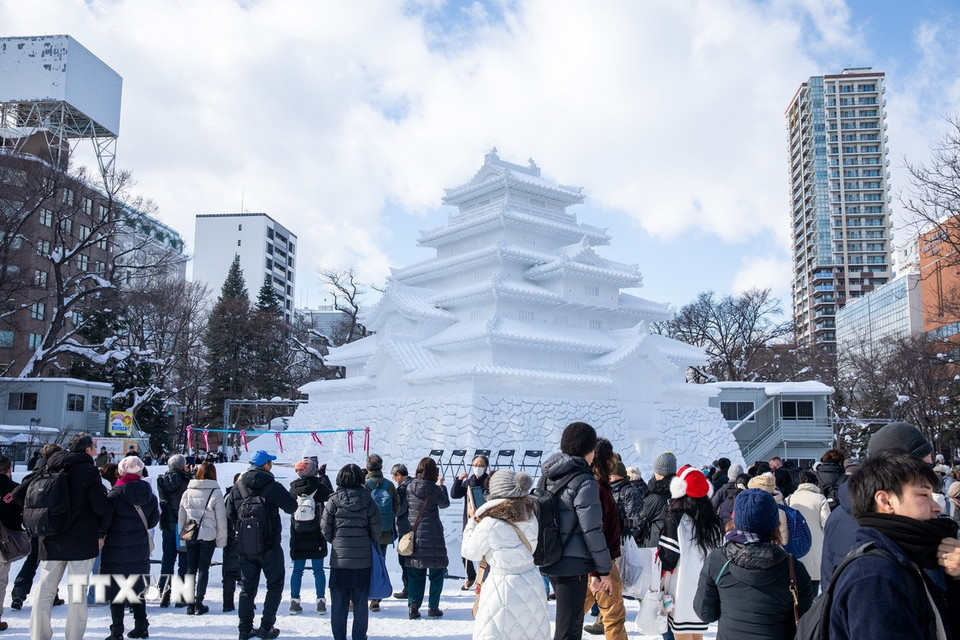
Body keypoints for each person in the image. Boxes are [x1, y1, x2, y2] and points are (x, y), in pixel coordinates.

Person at [828, 450, 960, 638]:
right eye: (924, 495)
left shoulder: (904, 561)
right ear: (885, 501)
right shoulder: (874, 575)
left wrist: (956, 582)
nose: (937, 507)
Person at [15, 432, 111, 640]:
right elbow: (100, 507)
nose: (95, 451)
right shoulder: (89, 471)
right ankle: (73, 636)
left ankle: (39, 635)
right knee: (77, 592)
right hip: (81, 540)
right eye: (93, 448)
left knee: (45, 589)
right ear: (87, 450)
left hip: (51, 536)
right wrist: (101, 529)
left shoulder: (50, 465)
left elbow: (19, 493)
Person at [820, 422, 933, 588]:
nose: (932, 476)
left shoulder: (836, 515)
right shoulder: (897, 527)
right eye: (926, 467)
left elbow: (828, 581)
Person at [695, 489, 814, 639]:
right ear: (775, 522)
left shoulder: (718, 560)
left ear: (736, 519)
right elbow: (806, 621)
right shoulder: (794, 568)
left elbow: (705, 613)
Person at [539, 421, 611, 640]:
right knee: (569, 629)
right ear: (590, 451)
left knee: (565, 624)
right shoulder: (585, 481)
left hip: (548, 556)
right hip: (573, 564)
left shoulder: (546, 476)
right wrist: (603, 570)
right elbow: (592, 530)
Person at [461, 470, 549, 640]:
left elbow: (469, 551)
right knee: (529, 630)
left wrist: (472, 521)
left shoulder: (490, 523)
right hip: (531, 581)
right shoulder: (530, 515)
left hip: (503, 586)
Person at [225, 450, 297, 640]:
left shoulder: (238, 486)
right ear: (265, 465)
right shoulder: (273, 486)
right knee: (275, 585)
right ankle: (266, 627)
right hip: (270, 544)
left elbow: (230, 513)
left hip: (245, 546)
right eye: (270, 463)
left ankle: (244, 629)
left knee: (248, 589)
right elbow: (291, 507)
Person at [658, 465, 724, 640]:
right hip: (707, 588)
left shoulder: (677, 518)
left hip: (681, 588)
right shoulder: (715, 522)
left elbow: (669, 559)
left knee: (683, 633)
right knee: (697, 633)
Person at [320, 463, 381, 640]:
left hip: (339, 560)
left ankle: (339, 637)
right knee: (361, 603)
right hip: (362, 560)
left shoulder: (333, 500)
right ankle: (359, 637)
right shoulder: (368, 499)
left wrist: (337, 541)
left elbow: (325, 529)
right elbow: (376, 530)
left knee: (338, 603)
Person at [102, 455, 160, 640]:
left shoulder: (114, 495)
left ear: (121, 471)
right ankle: (142, 627)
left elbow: (105, 522)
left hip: (115, 548)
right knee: (138, 588)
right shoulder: (150, 495)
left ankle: (116, 631)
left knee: (116, 589)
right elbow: (152, 521)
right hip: (139, 548)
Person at [581, 439, 627, 640]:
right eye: (611, 456)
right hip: (601, 564)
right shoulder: (598, 489)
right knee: (614, 617)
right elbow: (594, 531)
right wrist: (598, 572)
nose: (613, 460)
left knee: (574, 614)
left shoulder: (596, 486)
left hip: (594, 563)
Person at [10, 444, 64, 611]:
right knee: (52, 560)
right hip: (52, 523)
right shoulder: (58, 474)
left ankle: (18, 594)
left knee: (33, 558)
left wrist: (29, 508)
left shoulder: (34, 473)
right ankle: (52, 595)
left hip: (33, 522)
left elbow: (16, 494)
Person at [398, 456, 450, 619]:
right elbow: (444, 503)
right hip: (433, 535)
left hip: (414, 534)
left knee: (415, 573)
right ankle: (433, 607)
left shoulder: (409, 487)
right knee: (436, 573)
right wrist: (442, 486)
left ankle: (413, 607)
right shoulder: (434, 489)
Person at [178, 461, 227, 615]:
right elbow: (221, 518)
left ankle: (190, 604)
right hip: (208, 535)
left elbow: (181, 516)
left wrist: (182, 534)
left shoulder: (188, 491)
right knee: (204, 568)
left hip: (191, 534)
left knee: (190, 568)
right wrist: (221, 538)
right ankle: (199, 602)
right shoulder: (216, 492)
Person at [288, 457, 332, 615]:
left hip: (298, 534)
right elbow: (331, 496)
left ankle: (294, 602)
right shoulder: (319, 487)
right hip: (316, 534)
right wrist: (324, 477)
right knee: (318, 570)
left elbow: (288, 507)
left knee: (297, 570)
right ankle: (320, 602)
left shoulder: (293, 488)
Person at [364, 453, 399, 612]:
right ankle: (376, 600)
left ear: (367, 468)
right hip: (384, 532)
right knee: (380, 562)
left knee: (364, 565)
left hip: (366, 532)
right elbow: (396, 507)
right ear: (382, 467)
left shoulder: (364, 484)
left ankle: (361, 596)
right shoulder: (389, 485)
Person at [785, 470, 830, 594]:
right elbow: (826, 524)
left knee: (797, 584)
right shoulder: (820, 498)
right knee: (813, 586)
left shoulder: (790, 499)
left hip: (796, 547)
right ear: (815, 483)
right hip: (816, 547)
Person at [156, 454, 192, 607]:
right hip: (185, 524)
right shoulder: (187, 480)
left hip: (168, 524)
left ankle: (164, 591)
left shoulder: (162, 481)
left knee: (168, 559)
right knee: (184, 560)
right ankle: (182, 595)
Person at [451, 454, 490, 589]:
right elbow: (455, 494)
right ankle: (470, 575)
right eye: (475, 465)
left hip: (484, 520)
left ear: (486, 467)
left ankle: (483, 578)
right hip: (468, 520)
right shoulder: (469, 481)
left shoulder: (489, 482)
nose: (478, 468)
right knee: (466, 549)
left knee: (485, 550)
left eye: (481, 465)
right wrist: (458, 480)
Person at [0, 455, 24, 631]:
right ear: (10, 469)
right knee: (0, 580)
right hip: (5, 541)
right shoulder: (15, 489)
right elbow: (21, 516)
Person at [637, 451, 676, 547]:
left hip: (656, 545)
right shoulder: (678, 492)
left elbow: (639, 520)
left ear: (660, 473)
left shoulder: (656, 497)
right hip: (674, 544)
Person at [391, 463, 411, 600]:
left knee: (404, 559)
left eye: (394, 476)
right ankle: (410, 587)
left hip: (405, 527)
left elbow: (399, 510)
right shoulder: (414, 484)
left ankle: (407, 588)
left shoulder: (403, 489)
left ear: (399, 475)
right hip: (412, 527)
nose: (394, 479)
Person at [222, 473, 242, 612]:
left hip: (230, 536)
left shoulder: (227, 496)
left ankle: (228, 603)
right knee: (245, 572)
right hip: (241, 536)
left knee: (230, 572)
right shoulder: (246, 495)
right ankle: (230, 602)